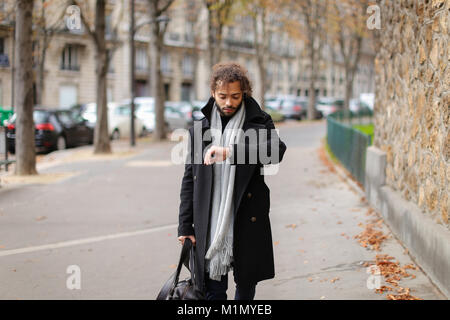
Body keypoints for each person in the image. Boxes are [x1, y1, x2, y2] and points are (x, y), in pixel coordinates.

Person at [177, 62, 287, 300]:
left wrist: (230, 152)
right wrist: (185, 226)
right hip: (209, 222)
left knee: (246, 287)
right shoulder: (200, 128)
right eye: (222, 96)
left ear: (244, 93)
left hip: (246, 218)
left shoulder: (258, 121)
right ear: (213, 93)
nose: (229, 103)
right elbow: (189, 180)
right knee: (212, 292)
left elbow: (276, 151)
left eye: (235, 96)